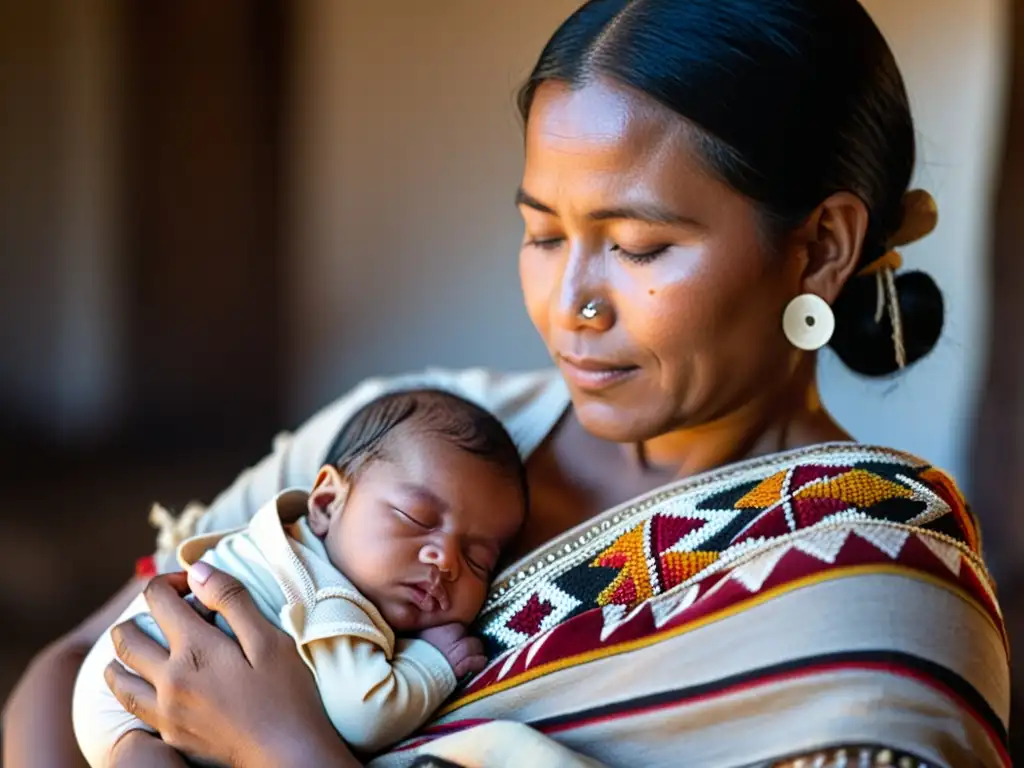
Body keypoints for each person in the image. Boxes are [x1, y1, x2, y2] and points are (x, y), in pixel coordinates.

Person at [3, 0, 1010, 766]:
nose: (570, 301)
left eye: (639, 246)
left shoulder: (872, 601)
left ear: (820, 248)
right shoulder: (403, 440)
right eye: (540, 233)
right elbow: (69, 674)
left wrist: (287, 748)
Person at [71, 390, 528, 767]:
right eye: (415, 517)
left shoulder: (290, 539)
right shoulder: (328, 592)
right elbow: (364, 715)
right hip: (140, 698)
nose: (444, 560)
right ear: (327, 503)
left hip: (127, 693)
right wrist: (433, 665)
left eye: (477, 560)